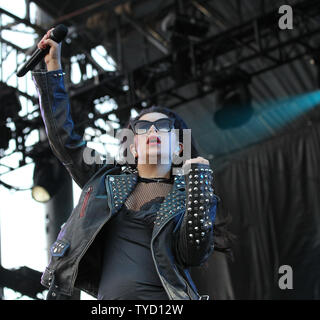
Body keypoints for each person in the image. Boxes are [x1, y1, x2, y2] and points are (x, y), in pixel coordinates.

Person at [32, 28, 230, 300]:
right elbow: (63, 139)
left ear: (179, 146)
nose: (151, 132)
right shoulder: (105, 181)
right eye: (142, 128)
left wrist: (198, 182)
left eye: (162, 127)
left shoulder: (186, 192)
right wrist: (52, 68)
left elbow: (193, 251)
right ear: (133, 145)